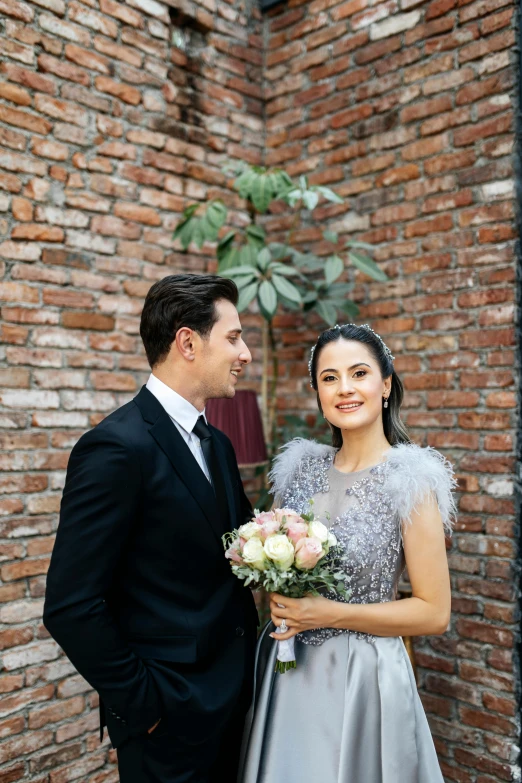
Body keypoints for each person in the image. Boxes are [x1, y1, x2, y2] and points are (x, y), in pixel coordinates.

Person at [43, 274, 259, 783]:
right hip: (169, 720)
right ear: (188, 342)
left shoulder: (219, 444)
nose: (245, 352)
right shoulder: (116, 448)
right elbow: (70, 605)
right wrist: (147, 706)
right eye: (233, 337)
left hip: (234, 702)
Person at [239, 323, 457, 783]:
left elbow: (433, 612)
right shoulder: (298, 470)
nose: (345, 389)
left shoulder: (411, 479)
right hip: (290, 671)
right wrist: (269, 582)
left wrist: (328, 613)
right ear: (317, 389)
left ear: (385, 385)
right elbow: (271, 567)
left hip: (365, 678)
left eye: (359, 373)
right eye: (330, 377)